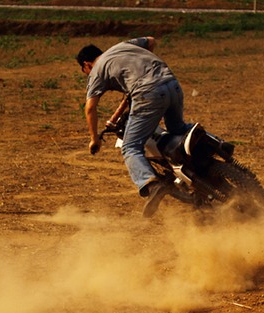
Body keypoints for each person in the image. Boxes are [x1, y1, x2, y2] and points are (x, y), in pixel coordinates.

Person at [76, 36, 195, 218]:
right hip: (171, 83)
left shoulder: (96, 71)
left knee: (130, 147)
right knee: (177, 130)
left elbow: (90, 108)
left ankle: (152, 184)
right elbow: (151, 40)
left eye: (84, 71)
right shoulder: (123, 46)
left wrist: (94, 139)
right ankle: (214, 146)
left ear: (86, 65)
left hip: (149, 94)